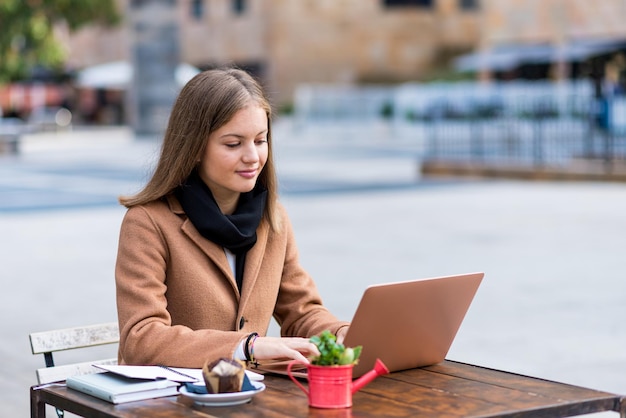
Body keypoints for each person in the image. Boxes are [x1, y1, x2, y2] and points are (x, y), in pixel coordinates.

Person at [115, 68, 349, 369]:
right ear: (194, 148)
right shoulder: (147, 223)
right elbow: (141, 339)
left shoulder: (273, 218)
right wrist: (245, 347)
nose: (252, 156)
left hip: (248, 398)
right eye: (233, 144)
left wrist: (343, 332)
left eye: (260, 140)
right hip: (172, 403)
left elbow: (301, 312)